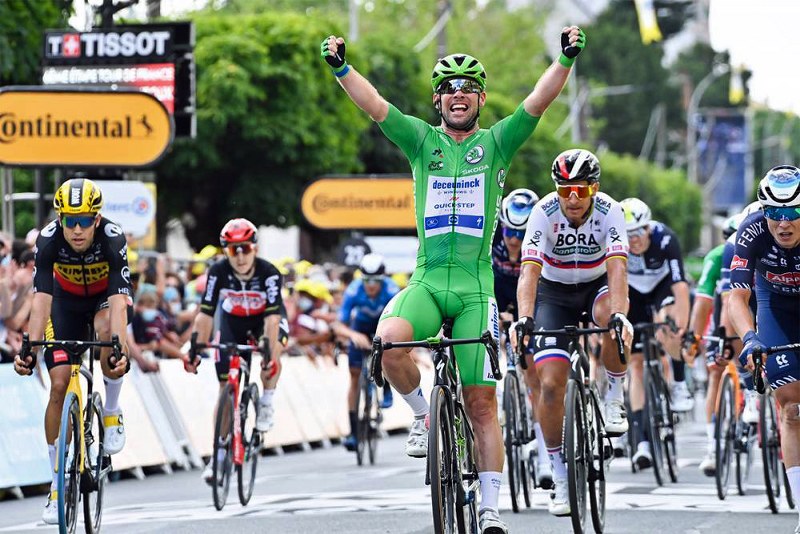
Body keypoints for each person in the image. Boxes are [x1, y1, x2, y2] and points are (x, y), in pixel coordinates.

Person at [321, 24, 586, 533]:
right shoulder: (420, 140)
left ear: (480, 98)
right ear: (438, 99)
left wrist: (566, 58)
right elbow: (376, 106)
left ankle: (489, 507)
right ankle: (422, 413)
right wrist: (341, 68)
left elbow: (537, 101)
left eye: (468, 88)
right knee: (388, 342)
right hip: (425, 281)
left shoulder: (498, 144)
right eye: (449, 88)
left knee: (481, 400)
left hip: (474, 287)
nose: (458, 95)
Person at [516, 148, 633, 517]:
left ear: (594, 189)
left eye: (580, 191)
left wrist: (618, 315)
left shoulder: (610, 211)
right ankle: (560, 476)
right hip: (555, 292)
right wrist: (524, 318)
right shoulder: (543, 213)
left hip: (596, 285)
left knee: (611, 320)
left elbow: (617, 269)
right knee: (550, 383)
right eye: (564, 189)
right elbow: (529, 273)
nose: (572, 198)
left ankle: (613, 396)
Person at [13, 178, 131, 524]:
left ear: (97, 219)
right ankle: (56, 482)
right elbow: (42, 299)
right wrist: (31, 348)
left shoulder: (113, 237)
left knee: (110, 342)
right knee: (60, 383)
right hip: (64, 304)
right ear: (60, 219)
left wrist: (119, 348)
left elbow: (119, 300)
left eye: (84, 221)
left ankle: (110, 410)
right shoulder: (49, 240)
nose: (77, 230)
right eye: (70, 221)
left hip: (103, 302)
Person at [187, 218, 286, 484]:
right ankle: (218, 456)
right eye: (233, 250)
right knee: (224, 391)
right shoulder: (218, 271)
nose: (240, 256)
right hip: (234, 323)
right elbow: (205, 314)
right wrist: (196, 347)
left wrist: (267, 354)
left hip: (265, 320)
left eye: (245, 248)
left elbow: (274, 320)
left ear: (254, 247)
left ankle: (266, 401)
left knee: (273, 350)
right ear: (225, 252)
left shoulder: (269, 272)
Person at [730, 166, 800, 532]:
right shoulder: (752, 230)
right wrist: (750, 338)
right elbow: (737, 298)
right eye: (775, 214)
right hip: (774, 306)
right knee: (791, 406)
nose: (783, 224)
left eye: (792, 214)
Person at [618, 197, 691, 470]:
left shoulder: (665, 240)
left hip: (661, 288)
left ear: (649, 228)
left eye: (638, 233)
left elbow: (680, 287)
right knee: (635, 365)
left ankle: (680, 384)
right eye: (628, 235)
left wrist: (680, 329)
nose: (634, 240)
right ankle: (641, 440)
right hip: (634, 293)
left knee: (665, 325)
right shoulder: (617, 243)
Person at [491, 188, 552, 487]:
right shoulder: (492, 242)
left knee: (534, 376)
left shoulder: (541, 239)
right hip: (499, 294)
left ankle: (544, 454)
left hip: (532, 296)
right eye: (508, 231)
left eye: (520, 232)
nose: (513, 238)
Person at [330, 253, 399, 452]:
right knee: (353, 377)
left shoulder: (391, 289)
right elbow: (338, 325)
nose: (370, 285)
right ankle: (353, 432)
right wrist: (352, 334)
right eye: (366, 280)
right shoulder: (353, 290)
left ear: (383, 279)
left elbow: (399, 322)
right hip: (359, 328)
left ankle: (386, 387)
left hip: (383, 326)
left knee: (391, 347)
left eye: (375, 281)